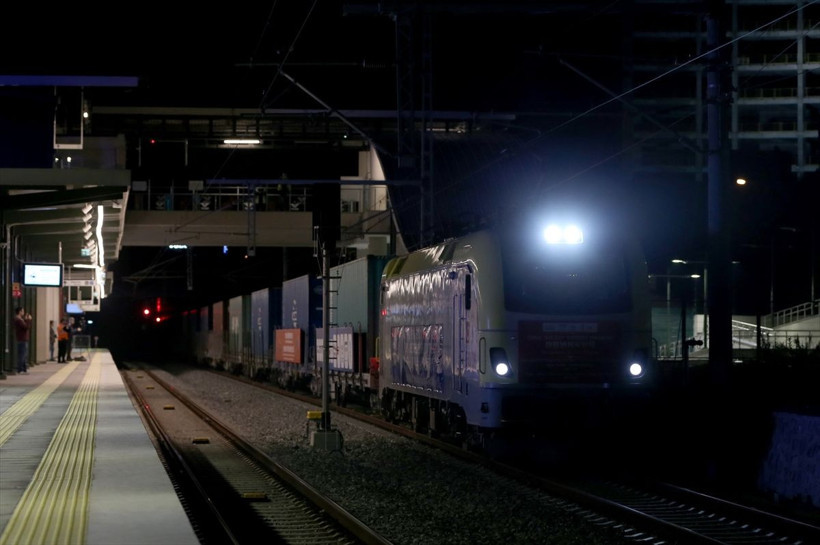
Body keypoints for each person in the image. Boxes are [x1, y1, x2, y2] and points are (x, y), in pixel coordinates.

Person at [13, 307, 33, 374]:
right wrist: (28, 320)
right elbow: (26, 327)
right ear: (19, 312)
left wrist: (25, 320)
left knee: (24, 355)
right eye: (22, 311)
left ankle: (24, 369)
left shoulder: (20, 319)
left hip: (22, 339)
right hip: (22, 339)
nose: (23, 312)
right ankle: (20, 369)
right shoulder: (18, 320)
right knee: (22, 355)